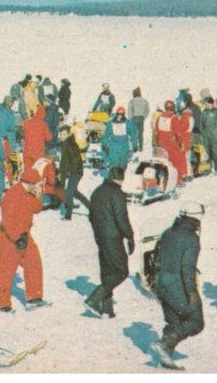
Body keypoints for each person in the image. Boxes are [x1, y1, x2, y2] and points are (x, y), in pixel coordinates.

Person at [151, 201, 205, 370]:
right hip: (176, 285)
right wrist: (192, 294)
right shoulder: (191, 239)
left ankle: (166, 357)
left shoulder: (168, 232)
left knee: (175, 321)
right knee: (195, 321)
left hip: (161, 283)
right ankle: (165, 343)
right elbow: (187, 268)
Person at [84, 167, 134, 318]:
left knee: (107, 271)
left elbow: (91, 215)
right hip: (113, 237)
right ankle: (94, 299)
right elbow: (121, 217)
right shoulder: (117, 194)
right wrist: (129, 236)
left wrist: (98, 231)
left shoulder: (97, 191)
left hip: (100, 235)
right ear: (121, 179)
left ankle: (107, 309)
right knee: (121, 271)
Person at [0, 168, 46, 312]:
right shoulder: (12, 195)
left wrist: (38, 196)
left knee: (34, 262)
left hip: (24, 234)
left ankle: (34, 297)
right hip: (9, 237)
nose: (39, 186)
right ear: (30, 183)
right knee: (6, 270)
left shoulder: (30, 193)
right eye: (38, 184)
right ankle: (3, 304)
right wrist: (17, 238)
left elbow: (36, 209)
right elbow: (8, 221)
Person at [58, 125, 91, 220]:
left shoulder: (71, 144)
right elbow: (65, 162)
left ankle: (68, 215)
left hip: (76, 171)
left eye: (64, 134)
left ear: (68, 134)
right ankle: (92, 208)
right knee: (75, 192)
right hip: (74, 171)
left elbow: (76, 160)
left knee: (69, 193)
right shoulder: (65, 144)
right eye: (61, 134)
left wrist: (72, 172)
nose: (62, 136)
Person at [154, 100, 184, 184]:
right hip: (172, 145)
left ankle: (161, 181)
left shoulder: (159, 117)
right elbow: (178, 132)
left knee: (162, 163)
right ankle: (177, 181)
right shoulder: (174, 118)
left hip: (161, 144)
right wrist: (181, 142)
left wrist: (156, 142)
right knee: (176, 163)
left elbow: (156, 131)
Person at [199, 97, 217, 174]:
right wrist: (201, 132)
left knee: (215, 151)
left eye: (207, 103)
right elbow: (201, 123)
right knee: (207, 152)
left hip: (213, 133)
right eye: (205, 103)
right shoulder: (204, 112)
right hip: (205, 134)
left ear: (211, 103)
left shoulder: (216, 111)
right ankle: (208, 168)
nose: (206, 105)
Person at [22, 106, 51, 171]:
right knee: (38, 170)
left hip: (27, 150)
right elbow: (49, 138)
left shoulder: (26, 122)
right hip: (38, 151)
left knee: (28, 170)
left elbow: (23, 132)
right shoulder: (43, 124)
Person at [127, 87, 150, 153]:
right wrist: (144, 117)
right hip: (141, 118)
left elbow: (130, 110)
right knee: (140, 133)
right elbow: (147, 110)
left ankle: (135, 147)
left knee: (134, 133)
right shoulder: (144, 101)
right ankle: (141, 147)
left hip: (134, 118)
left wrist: (130, 118)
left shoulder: (132, 101)